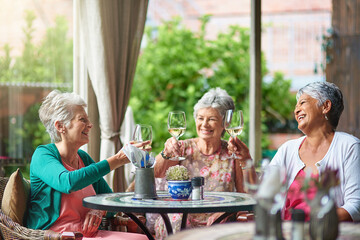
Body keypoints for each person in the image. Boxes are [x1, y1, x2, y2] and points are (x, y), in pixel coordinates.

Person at [25, 90, 148, 239]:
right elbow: (68, 182)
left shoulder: (82, 158)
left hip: (91, 234)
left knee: (142, 238)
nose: (90, 125)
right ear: (60, 126)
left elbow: (110, 197)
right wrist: (117, 160)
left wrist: (99, 210)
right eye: (82, 119)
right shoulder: (43, 155)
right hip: (60, 236)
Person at [232, 81, 360, 222]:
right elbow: (263, 192)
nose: (296, 110)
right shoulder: (288, 149)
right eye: (296, 106)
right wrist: (245, 160)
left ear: (325, 106)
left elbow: (355, 206)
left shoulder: (349, 147)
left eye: (302, 103)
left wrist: (314, 224)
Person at [152, 87, 252, 239]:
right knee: (175, 223)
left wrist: (226, 213)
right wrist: (165, 153)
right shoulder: (182, 147)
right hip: (181, 217)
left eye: (211, 119)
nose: (204, 124)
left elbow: (244, 195)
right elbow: (156, 174)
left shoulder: (233, 152)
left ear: (225, 124)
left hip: (218, 220)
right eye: (200, 118)